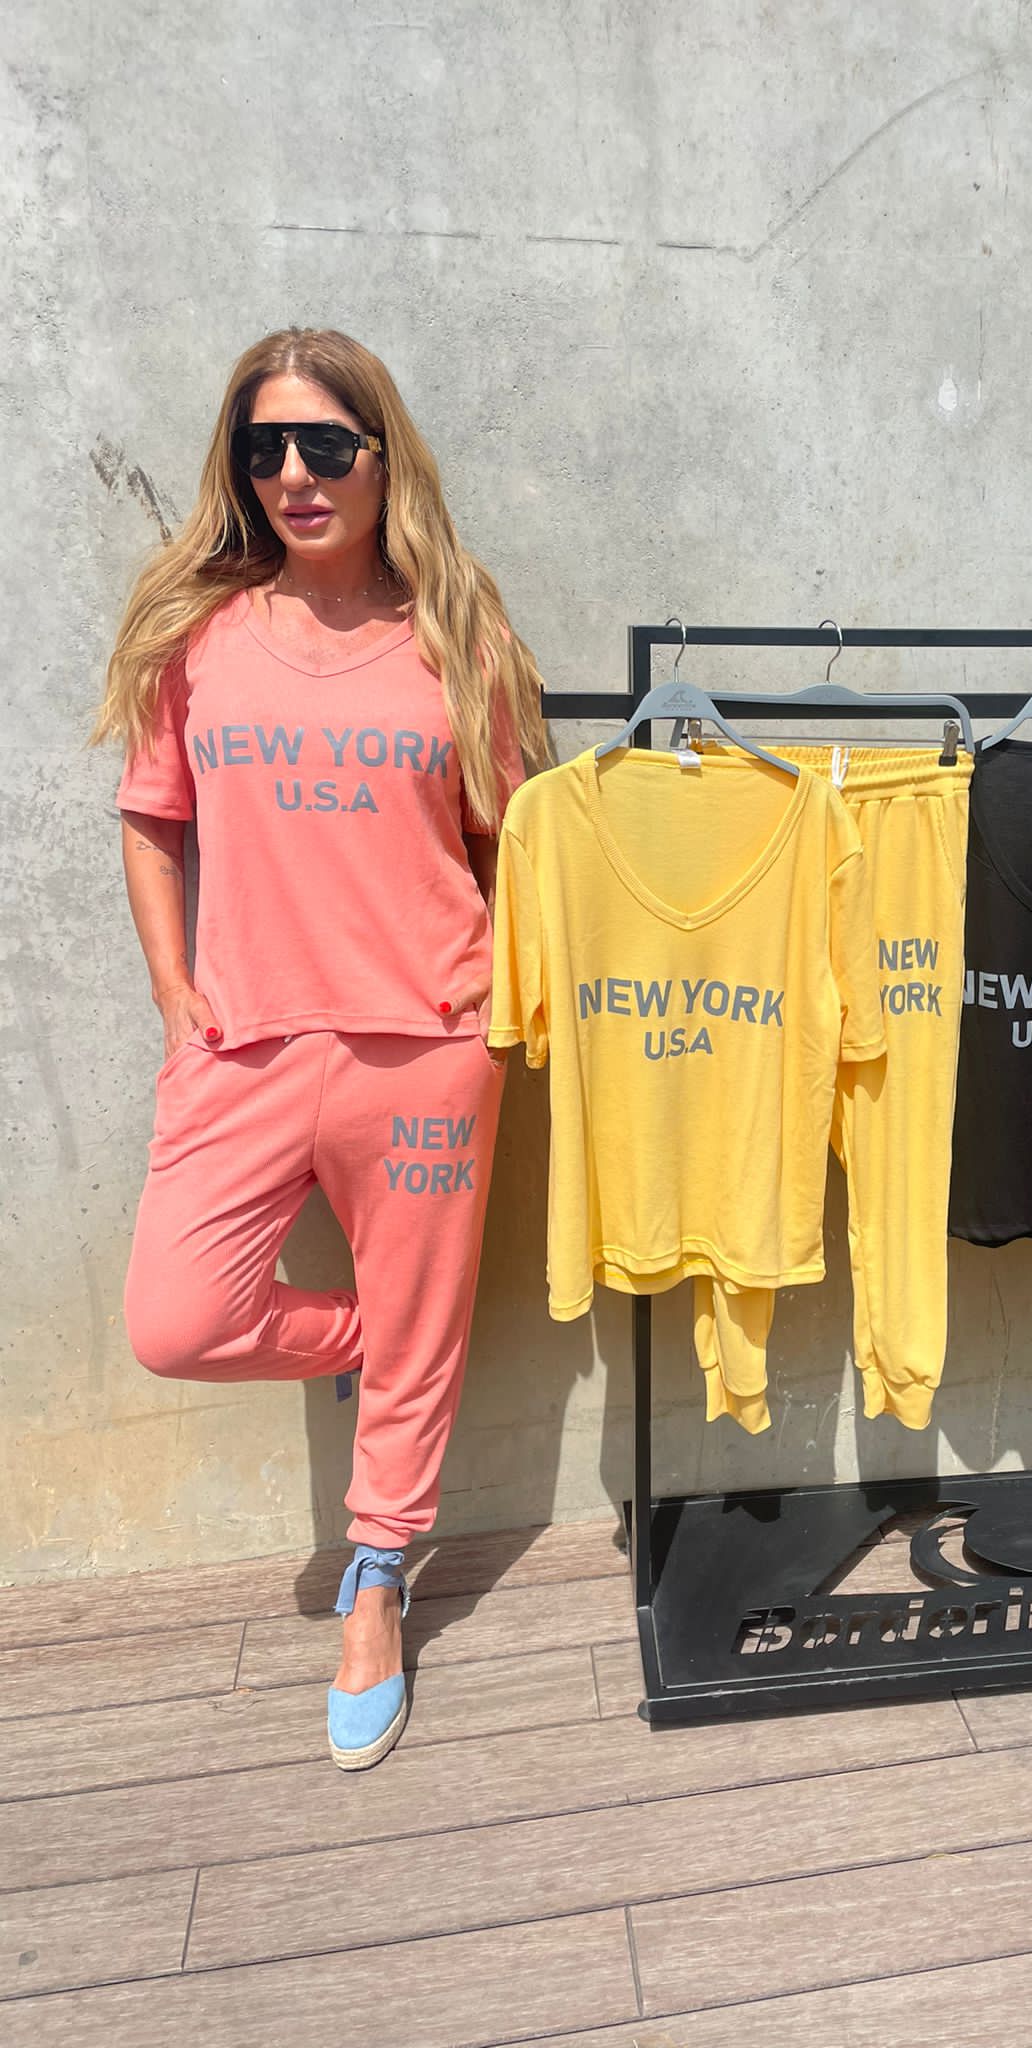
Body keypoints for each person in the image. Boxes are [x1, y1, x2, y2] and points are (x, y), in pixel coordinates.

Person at [92, 327, 545, 1769]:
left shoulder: (461, 639)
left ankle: (377, 1585)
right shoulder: (203, 642)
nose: (296, 473)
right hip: (247, 1045)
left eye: (327, 444)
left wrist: (497, 1002)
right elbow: (151, 821)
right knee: (178, 1319)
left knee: (419, 1328)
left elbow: (515, 842)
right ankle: (386, 1341)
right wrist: (176, 995)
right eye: (265, 448)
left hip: (426, 1046)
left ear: (381, 457)